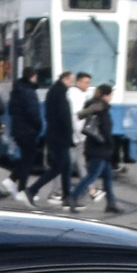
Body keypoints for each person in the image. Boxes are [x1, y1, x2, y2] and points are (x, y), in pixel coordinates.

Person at [65, 83, 123, 214]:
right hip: (100, 147)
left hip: (96, 145)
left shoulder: (94, 105)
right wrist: (111, 144)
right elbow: (105, 129)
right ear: (105, 95)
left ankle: (111, 203)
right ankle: (73, 197)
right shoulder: (100, 107)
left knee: (108, 176)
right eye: (110, 95)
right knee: (92, 175)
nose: (112, 97)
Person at [7, 66, 46, 200]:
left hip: (18, 129)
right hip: (28, 130)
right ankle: (21, 188)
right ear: (33, 77)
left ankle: (14, 181)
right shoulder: (29, 92)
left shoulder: (17, 90)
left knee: (25, 158)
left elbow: (12, 110)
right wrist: (39, 126)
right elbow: (33, 113)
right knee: (28, 159)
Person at [43, 70, 80, 205]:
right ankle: (32, 190)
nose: (73, 82)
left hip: (58, 136)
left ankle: (67, 196)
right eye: (72, 79)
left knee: (65, 167)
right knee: (59, 167)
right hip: (60, 137)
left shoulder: (56, 91)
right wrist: (69, 135)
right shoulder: (59, 93)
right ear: (65, 79)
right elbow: (64, 117)